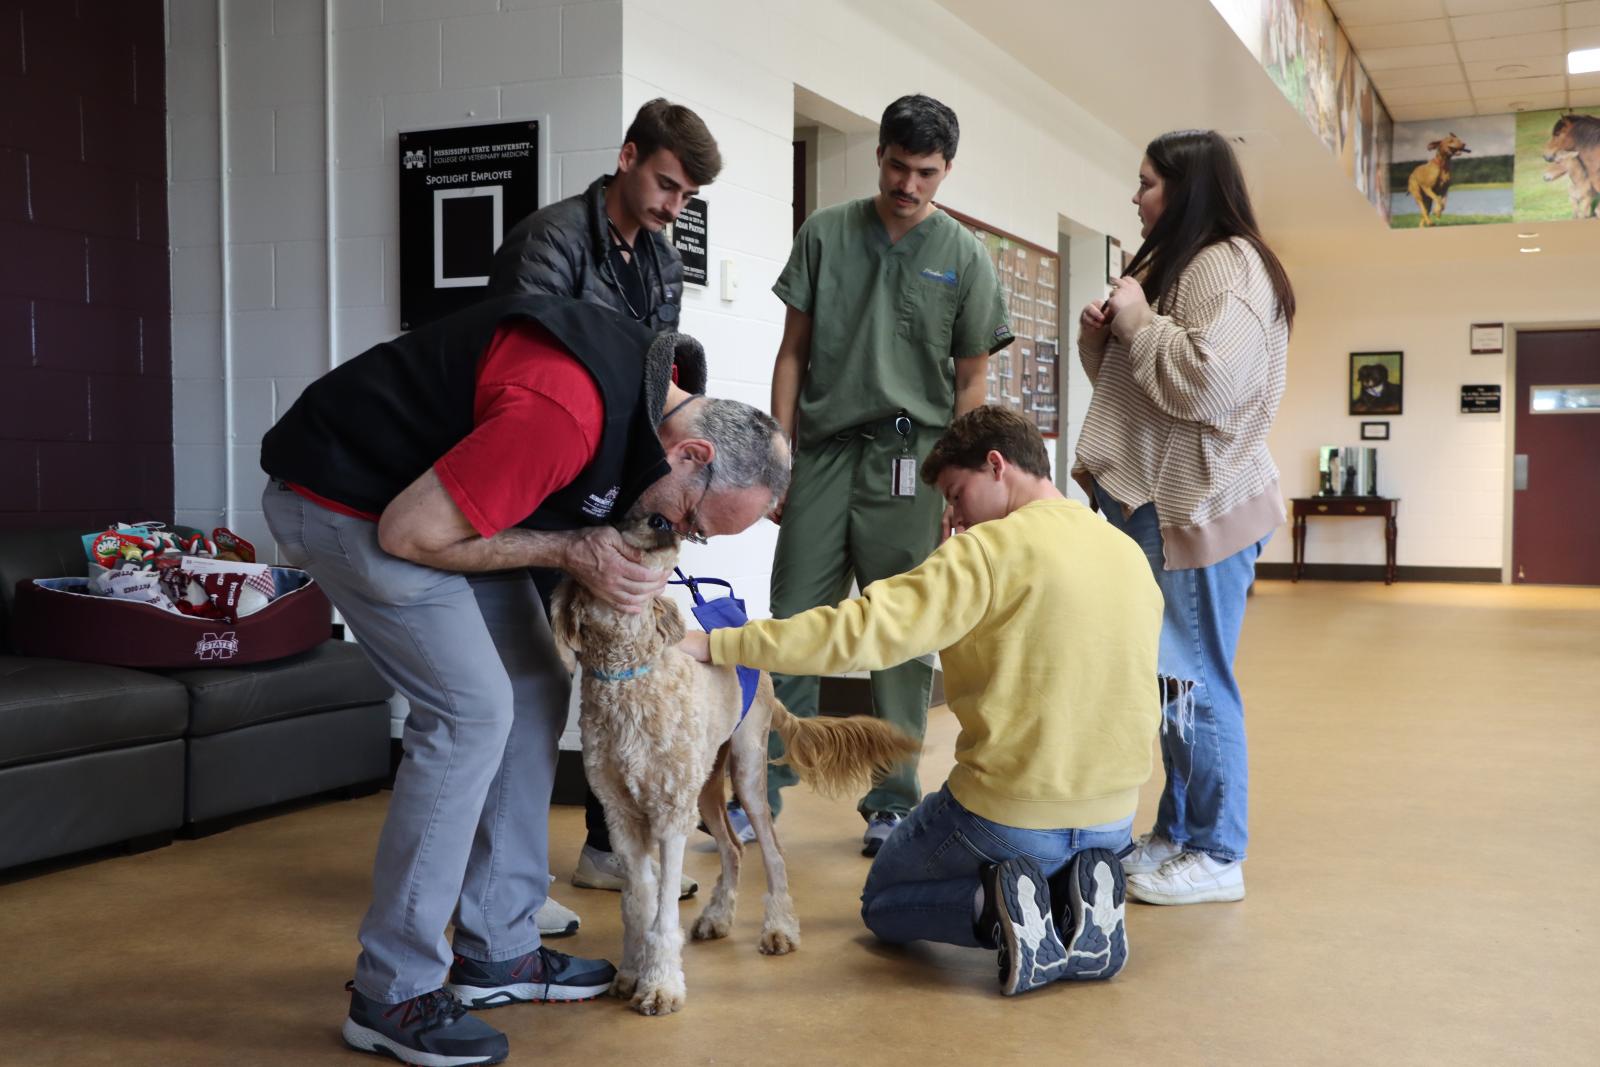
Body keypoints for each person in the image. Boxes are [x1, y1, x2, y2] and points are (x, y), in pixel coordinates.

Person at [260, 294, 788, 1067]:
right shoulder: (563, 415)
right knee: (471, 712)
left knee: (538, 682)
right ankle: (393, 989)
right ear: (693, 456)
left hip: (424, 504)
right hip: (344, 501)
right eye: (693, 522)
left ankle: (499, 948)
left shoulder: (656, 404)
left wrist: (574, 547)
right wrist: (571, 551)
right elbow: (409, 533)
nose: (680, 534)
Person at [681, 406, 1161, 996]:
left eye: (956, 496)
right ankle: (1077, 896)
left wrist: (723, 642)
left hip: (1013, 816)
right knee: (1028, 838)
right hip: (1115, 817)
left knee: (882, 900)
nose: (954, 519)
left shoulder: (987, 550)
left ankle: (994, 905)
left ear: (996, 466)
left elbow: (859, 631)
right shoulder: (1125, 552)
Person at [762, 93, 1014, 857]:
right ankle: (761, 785)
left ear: (947, 172)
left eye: (926, 172)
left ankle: (893, 797)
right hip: (825, 453)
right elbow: (792, 353)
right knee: (793, 618)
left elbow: (971, 383)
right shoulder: (826, 233)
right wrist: (779, 454)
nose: (909, 184)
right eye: (898, 166)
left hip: (913, 461)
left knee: (904, 633)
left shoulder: (965, 255)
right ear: (880, 157)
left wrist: (960, 486)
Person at [489, 98, 723, 910]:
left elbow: (655, 374)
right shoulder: (549, 240)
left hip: (607, 482)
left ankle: (604, 844)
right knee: (529, 687)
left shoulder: (660, 260)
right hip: (531, 482)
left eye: (686, 197)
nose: (671, 207)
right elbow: (536, 364)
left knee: (620, 664)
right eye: (665, 184)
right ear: (627, 156)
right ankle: (505, 888)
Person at [1073, 129, 1295, 907]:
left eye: (1147, 184)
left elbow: (1208, 384)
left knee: (1195, 681)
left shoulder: (1226, 265)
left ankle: (1217, 850)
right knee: (1170, 683)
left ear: (1187, 189)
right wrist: (1102, 337)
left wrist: (1137, 324)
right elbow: (1144, 394)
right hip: (1158, 502)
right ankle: (1178, 831)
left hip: (1200, 506)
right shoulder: (1178, 264)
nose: (1135, 198)